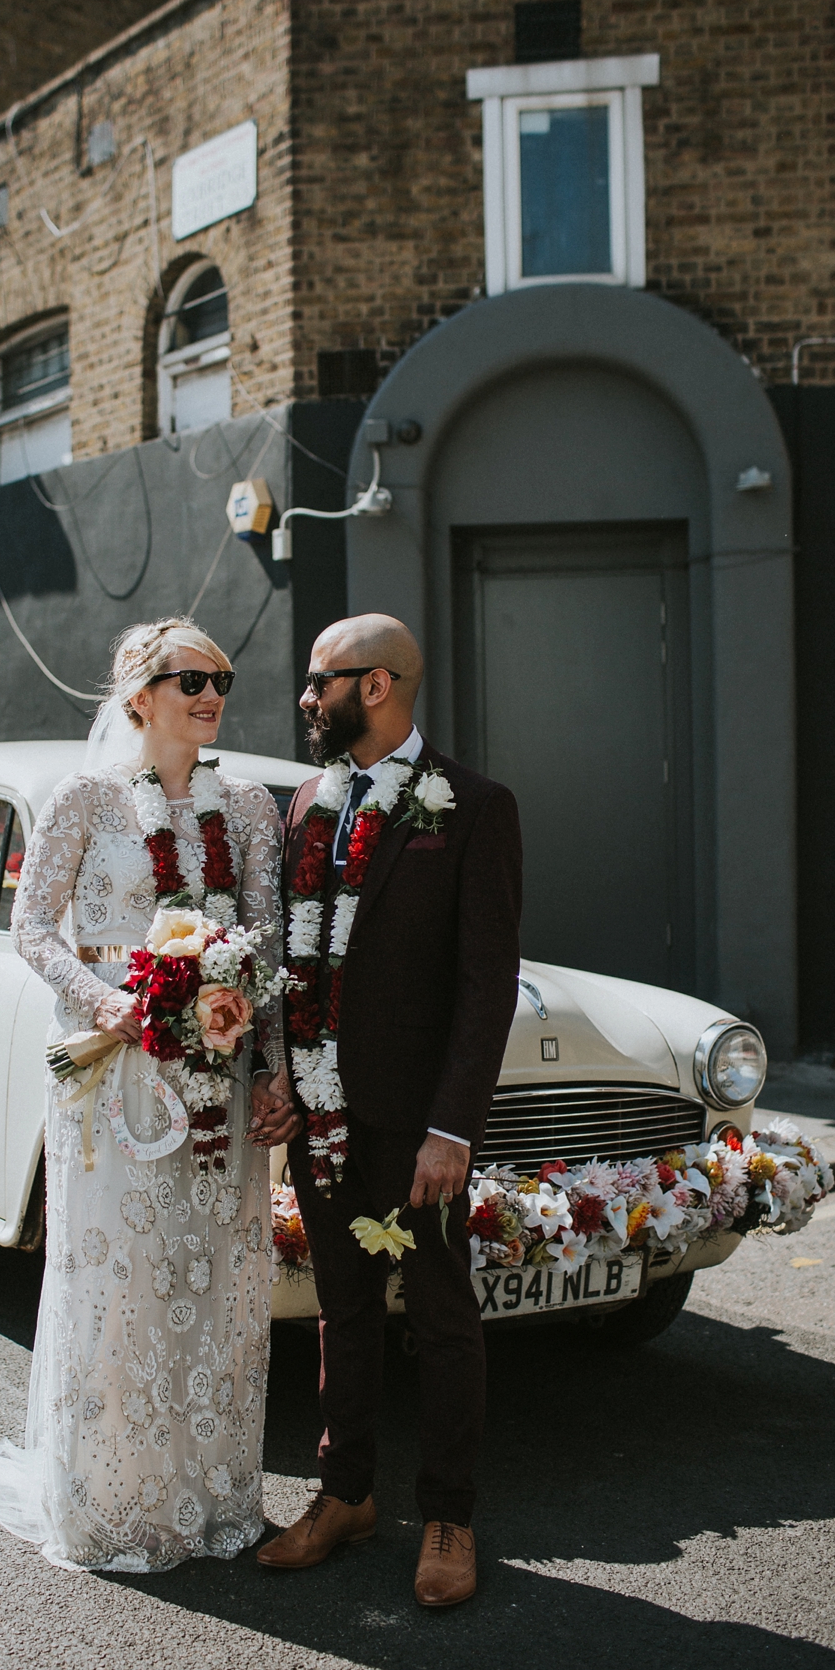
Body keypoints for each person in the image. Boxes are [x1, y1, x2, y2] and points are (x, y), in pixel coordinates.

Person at [0, 617, 299, 1573]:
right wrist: (115, 1001)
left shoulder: (253, 812)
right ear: (138, 695)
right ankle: (110, 1499)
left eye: (222, 676)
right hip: (112, 1071)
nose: (212, 692)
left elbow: (266, 950)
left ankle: (211, 1495)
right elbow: (30, 930)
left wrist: (270, 1069)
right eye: (190, 677)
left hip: (219, 1076)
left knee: (217, 1282)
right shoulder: (86, 799)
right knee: (119, 1282)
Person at [257, 613, 522, 1606]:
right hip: (327, 1118)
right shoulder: (304, 805)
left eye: (318, 680)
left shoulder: (475, 807)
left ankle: (449, 1516)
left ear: (375, 686)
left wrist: (453, 1127)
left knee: (443, 1315)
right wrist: (284, 1078)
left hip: (422, 1133)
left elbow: (486, 980)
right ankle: (346, 1493)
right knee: (345, 1307)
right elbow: (295, 956)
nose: (305, 697)